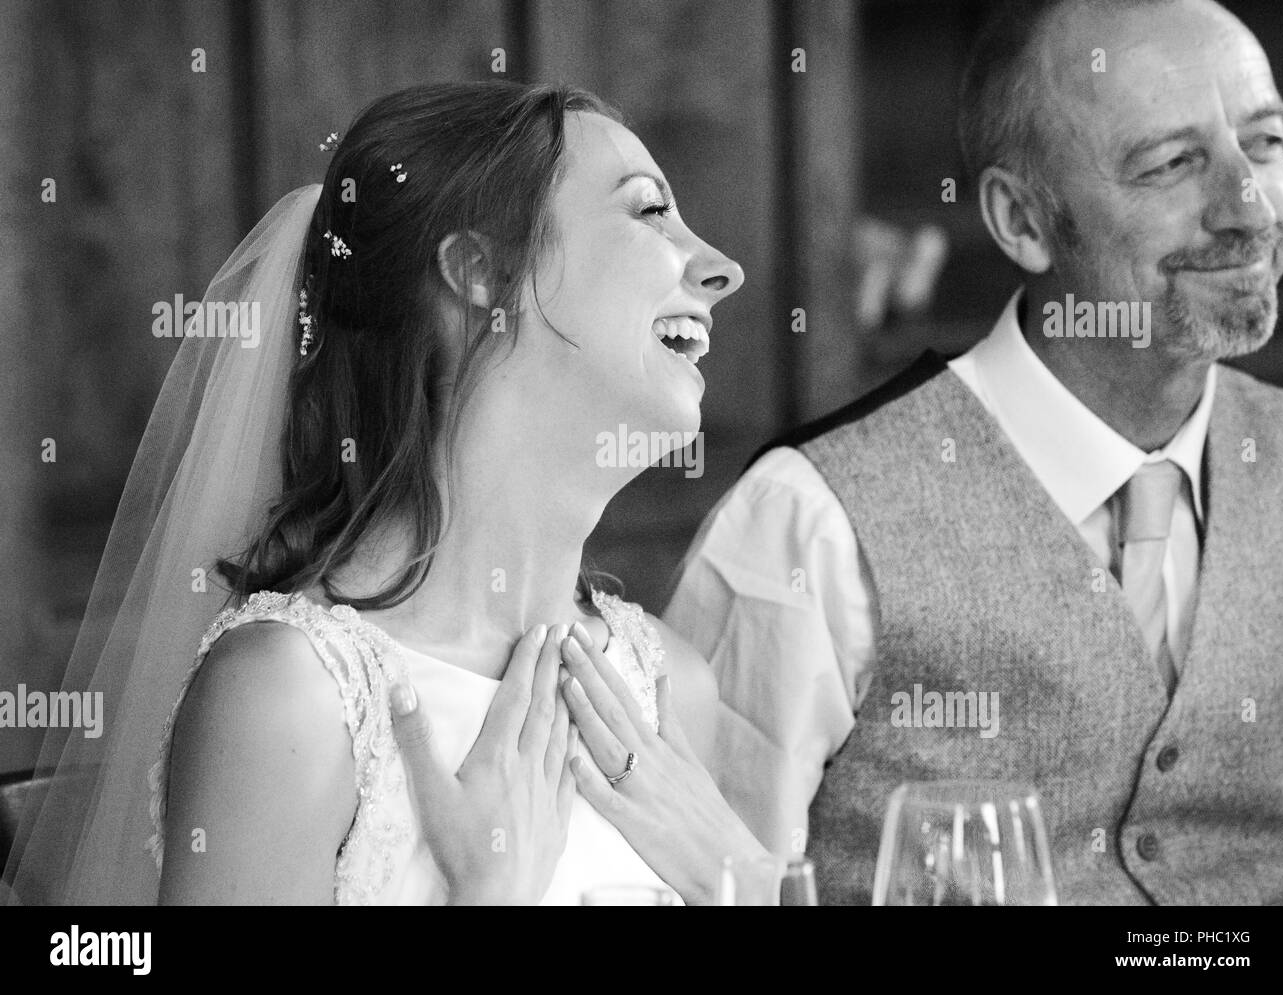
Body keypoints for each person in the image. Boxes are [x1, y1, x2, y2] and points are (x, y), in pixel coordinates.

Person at [5, 81, 773, 906]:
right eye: (651, 211)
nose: (722, 268)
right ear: (481, 270)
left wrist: (755, 885)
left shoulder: (667, 689)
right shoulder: (290, 701)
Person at [665, 0, 1283, 905]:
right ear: (1021, 221)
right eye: (1172, 164)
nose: (1248, 207)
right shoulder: (807, 523)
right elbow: (707, 883)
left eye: (1266, 143)